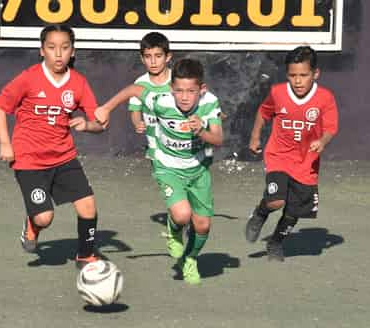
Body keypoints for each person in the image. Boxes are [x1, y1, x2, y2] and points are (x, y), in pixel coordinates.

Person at [95, 58, 223, 284]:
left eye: (191, 91)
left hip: (198, 169)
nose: (184, 97)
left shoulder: (210, 103)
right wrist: (106, 107)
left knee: (202, 224)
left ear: (201, 90)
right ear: (171, 89)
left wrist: (201, 131)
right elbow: (134, 89)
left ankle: (190, 259)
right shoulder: (161, 100)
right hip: (167, 166)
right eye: (179, 91)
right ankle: (174, 231)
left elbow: (218, 138)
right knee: (182, 214)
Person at [0, 24, 106, 269]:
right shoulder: (29, 77)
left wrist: (89, 125)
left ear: (73, 52)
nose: (58, 54)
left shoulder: (78, 83)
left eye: (64, 48)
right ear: (42, 50)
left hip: (64, 157)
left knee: (88, 206)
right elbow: (0, 106)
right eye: (52, 48)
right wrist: (5, 143)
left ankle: (85, 255)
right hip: (29, 160)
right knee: (45, 217)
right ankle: (33, 224)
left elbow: (99, 123)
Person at [245, 46, 339, 262]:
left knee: (294, 211)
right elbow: (263, 111)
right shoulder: (278, 92)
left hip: (307, 162)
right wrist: (255, 136)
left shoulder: (325, 98)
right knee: (276, 201)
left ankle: (276, 242)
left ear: (315, 74)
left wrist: (322, 141)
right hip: (278, 155)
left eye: (303, 75)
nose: (297, 81)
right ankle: (260, 213)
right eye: (292, 75)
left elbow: (331, 127)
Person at [128, 31, 172, 160]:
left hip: (178, 143)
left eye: (158, 56)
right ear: (142, 59)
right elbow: (135, 110)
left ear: (168, 57)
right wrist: (137, 123)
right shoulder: (140, 83)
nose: (153, 62)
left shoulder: (178, 79)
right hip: (154, 146)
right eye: (148, 56)